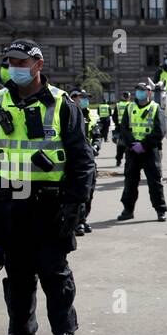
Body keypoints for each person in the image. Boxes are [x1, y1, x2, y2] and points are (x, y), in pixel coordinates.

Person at [0, 38, 94, 335]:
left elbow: (82, 160)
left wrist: (75, 205)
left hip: (49, 205)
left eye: (21, 63)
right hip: (10, 205)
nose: (15, 68)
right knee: (18, 275)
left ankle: (63, 331)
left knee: (55, 273)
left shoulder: (62, 104)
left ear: (38, 65)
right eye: (10, 62)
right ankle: (21, 333)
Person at [117, 81, 167, 222]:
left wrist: (143, 145)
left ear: (149, 92)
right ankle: (128, 210)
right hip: (133, 151)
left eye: (143, 90)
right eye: (138, 90)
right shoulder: (129, 107)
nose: (139, 92)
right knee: (130, 181)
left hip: (150, 151)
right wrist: (133, 144)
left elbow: (160, 131)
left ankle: (160, 210)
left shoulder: (156, 108)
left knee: (155, 181)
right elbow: (124, 129)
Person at [70, 88, 100, 235]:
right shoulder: (67, 113)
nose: (84, 100)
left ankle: (84, 219)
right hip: (74, 160)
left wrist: (96, 145)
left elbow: (97, 134)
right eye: (81, 97)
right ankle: (77, 222)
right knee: (78, 192)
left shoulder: (90, 114)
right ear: (73, 98)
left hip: (89, 159)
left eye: (86, 98)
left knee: (89, 191)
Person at [113, 90, 132, 168]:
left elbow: (114, 116)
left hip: (120, 127)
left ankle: (118, 160)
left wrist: (117, 124)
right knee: (129, 145)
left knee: (120, 146)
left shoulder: (118, 105)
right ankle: (129, 161)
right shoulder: (131, 105)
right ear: (128, 97)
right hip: (129, 128)